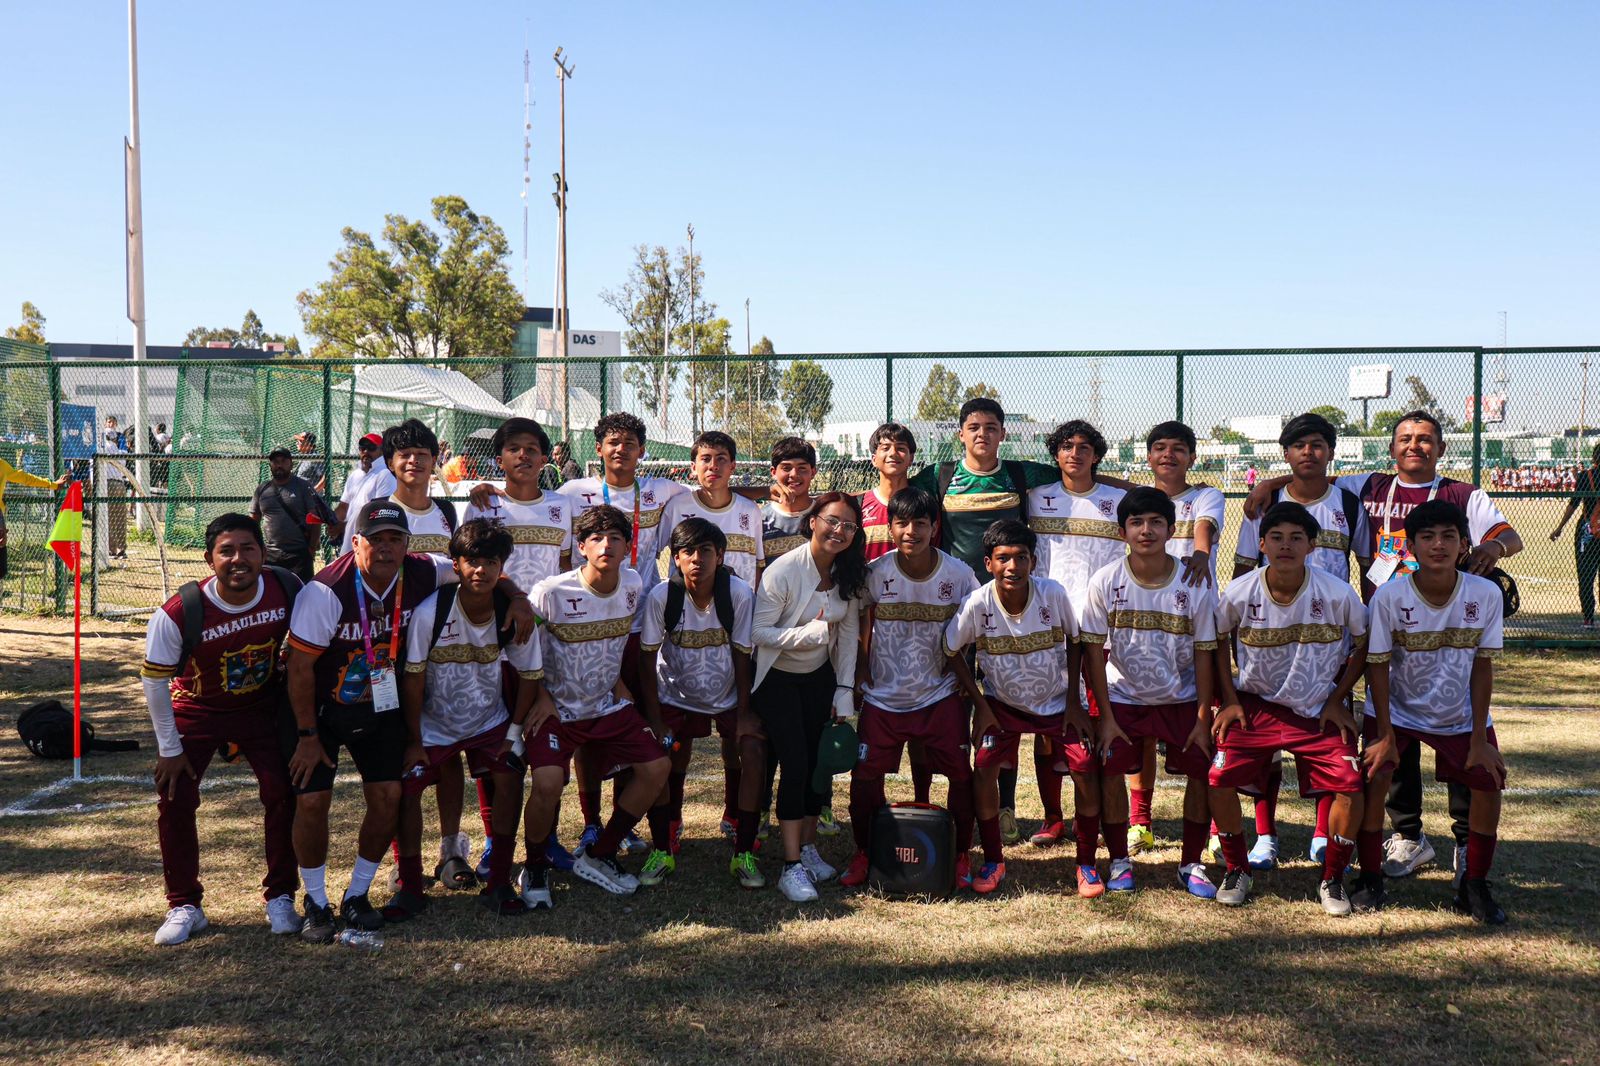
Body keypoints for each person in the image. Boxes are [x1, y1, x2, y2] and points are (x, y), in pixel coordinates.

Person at [1244, 409, 1521, 883]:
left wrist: (1489, 551)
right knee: (1391, 744)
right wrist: (1267, 483)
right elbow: (1312, 472)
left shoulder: (1462, 494)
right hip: (1383, 623)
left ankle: (1461, 843)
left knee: (1454, 734)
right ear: (1391, 448)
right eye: (1406, 439)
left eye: (1426, 439)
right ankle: (1409, 836)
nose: (1415, 446)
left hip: (1442, 626)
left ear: (1441, 447)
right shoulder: (1367, 486)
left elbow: (1508, 535)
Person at [282, 501, 533, 942]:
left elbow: (484, 565)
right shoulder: (324, 592)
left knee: (388, 796)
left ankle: (358, 896)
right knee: (312, 803)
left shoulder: (425, 570)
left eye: (394, 539)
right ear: (355, 541)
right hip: (323, 711)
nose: (384, 548)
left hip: (381, 707)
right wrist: (305, 735)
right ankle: (317, 901)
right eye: (374, 540)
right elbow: (300, 670)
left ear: (407, 544)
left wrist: (517, 598)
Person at [140, 514, 302, 945]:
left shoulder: (287, 587)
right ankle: (184, 904)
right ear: (209, 559)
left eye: (248, 549)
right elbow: (154, 680)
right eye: (226, 551)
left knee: (283, 793)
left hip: (261, 707)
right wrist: (169, 748)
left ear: (263, 554)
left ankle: (282, 896)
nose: (238, 559)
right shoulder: (180, 611)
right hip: (197, 708)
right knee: (174, 798)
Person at [907, 398, 1061, 845]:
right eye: (974, 426)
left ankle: (1007, 807)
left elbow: (1078, 476)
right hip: (959, 606)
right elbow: (891, 485)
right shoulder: (939, 476)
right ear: (960, 433)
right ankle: (941, 801)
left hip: (1012, 605)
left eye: (991, 427)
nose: (982, 434)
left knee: (1008, 704)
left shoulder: (1019, 474)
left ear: (1002, 434)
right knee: (959, 700)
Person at [1209, 502, 1368, 915]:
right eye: (1276, 537)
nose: (1286, 545)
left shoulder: (1336, 592)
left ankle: (1333, 878)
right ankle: (1237, 868)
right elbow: (1216, 639)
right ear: (1261, 544)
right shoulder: (1241, 590)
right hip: (1255, 706)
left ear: (1312, 546)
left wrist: (1337, 697)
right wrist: (1228, 699)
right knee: (1218, 778)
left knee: (1351, 785)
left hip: (1317, 707)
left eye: (1297, 538)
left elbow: (1366, 641)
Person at [1355, 500, 1508, 924]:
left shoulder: (1485, 593)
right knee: (1373, 778)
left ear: (1464, 544)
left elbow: (1482, 666)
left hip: (1457, 714)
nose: (1437, 545)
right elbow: (1378, 665)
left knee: (1489, 780)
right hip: (1397, 711)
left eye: (1448, 536)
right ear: (1412, 546)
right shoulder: (1389, 596)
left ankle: (1474, 884)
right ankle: (1370, 876)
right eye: (1427, 537)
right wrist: (1385, 735)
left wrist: (1479, 736)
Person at [1229, 411, 1370, 868]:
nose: (1309, 453)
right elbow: (1241, 574)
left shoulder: (1348, 504)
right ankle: (1265, 836)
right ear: (1285, 453)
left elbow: (1369, 572)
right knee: (1263, 746)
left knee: (1327, 739)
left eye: (1318, 445)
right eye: (1299, 446)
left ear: (1331, 451)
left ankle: (1321, 833)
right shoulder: (1261, 506)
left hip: (1325, 644)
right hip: (1268, 638)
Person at [519, 505, 671, 904]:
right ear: (581, 547)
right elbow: (520, 645)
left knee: (658, 768)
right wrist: (540, 694)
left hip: (605, 704)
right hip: (557, 708)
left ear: (628, 547)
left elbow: (615, 641)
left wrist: (619, 682)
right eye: (597, 539)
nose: (606, 545)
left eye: (615, 538)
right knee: (549, 784)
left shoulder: (634, 584)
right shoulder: (552, 591)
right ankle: (534, 865)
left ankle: (600, 852)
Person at [554, 413, 687, 856]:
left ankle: (622, 822)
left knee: (633, 722)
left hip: (638, 626)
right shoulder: (574, 493)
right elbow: (535, 506)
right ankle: (591, 823)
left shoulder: (661, 491)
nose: (621, 450)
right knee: (588, 723)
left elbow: (711, 495)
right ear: (598, 449)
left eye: (630, 442)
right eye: (613, 442)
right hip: (590, 626)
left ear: (642, 450)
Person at [396, 519, 542, 918]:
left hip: (488, 721)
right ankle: (409, 885)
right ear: (456, 565)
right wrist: (412, 740)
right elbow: (413, 679)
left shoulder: (510, 611)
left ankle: (498, 882)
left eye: (490, 562)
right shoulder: (433, 610)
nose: (480, 570)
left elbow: (530, 676)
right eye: (471, 561)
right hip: (433, 724)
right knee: (405, 788)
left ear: (502, 566)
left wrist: (513, 733)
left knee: (510, 776)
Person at [1080, 487, 1220, 899]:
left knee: (1200, 774)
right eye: (1136, 523)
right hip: (1123, 699)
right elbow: (1092, 650)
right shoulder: (1106, 580)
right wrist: (1104, 716)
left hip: (1180, 699)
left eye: (1156, 522)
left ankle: (1191, 862)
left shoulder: (1194, 582)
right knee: (1112, 776)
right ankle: (1121, 859)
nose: (1146, 531)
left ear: (1171, 529)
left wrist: (1201, 717)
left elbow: (1204, 653)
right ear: (1123, 532)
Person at [842, 488, 981, 887]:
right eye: (902, 523)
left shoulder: (958, 574)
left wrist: (962, 671)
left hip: (939, 694)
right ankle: (865, 852)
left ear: (935, 528)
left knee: (960, 775)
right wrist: (861, 670)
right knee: (865, 776)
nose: (911, 531)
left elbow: (974, 624)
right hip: (884, 696)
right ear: (890, 527)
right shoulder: (877, 571)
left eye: (921, 523)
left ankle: (958, 856)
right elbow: (859, 620)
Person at [943, 519, 1081, 895]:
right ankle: (993, 859)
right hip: (1001, 705)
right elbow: (952, 650)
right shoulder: (977, 602)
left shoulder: (1053, 594)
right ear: (988, 563)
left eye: (1021, 558)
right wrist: (980, 704)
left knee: (1085, 767)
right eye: (1003, 558)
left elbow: (1077, 640)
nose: (1013, 567)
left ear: (1033, 562)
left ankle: (1086, 863)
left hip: (1055, 702)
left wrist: (1073, 702)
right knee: (984, 770)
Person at [748, 491, 866, 901]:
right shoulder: (783, 571)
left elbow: (848, 636)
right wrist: (809, 634)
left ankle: (810, 849)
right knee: (795, 764)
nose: (839, 531)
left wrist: (845, 689)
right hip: (778, 680)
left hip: (820, 678)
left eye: (849, 526)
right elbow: (758, 634)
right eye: (832, 521)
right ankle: (791, 865)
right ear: (812, 521)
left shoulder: (848, 571)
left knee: (818, 767)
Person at [1123, 421, 1225, 857]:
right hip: (1147, 625)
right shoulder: (1138, 502)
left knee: (1204, 726)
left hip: (1195, 623)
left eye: (1178, 449)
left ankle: (1218, 825)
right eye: (1159, 448)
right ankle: (1140, 821)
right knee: (1141, 731)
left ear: (1192, 457)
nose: (1168, 455)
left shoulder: (1207, 495)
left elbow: (1204, 528)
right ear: (1148, 457)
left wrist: (1199, 555)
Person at [636, 518, 757, 886]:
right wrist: (656, 722)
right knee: (667, 756)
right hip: (678, 695)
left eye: (706, 551)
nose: (696, 559)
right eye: (687, 551)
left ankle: (744, 848)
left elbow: (742, 655)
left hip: (727, 695)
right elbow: (646, 659)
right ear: (675, 558)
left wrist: (745, 714)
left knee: (750, 752)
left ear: (720, 556)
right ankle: (665, 838)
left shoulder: (738, 593)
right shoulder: (662, 597)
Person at [1024, 419, 1127, 849]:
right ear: (1055, 453)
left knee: (1101, 721)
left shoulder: (1118, 500)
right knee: (1050, 727)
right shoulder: (1035, 499)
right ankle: (1052, 817)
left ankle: (1102, 815)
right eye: (1067, 446)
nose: (1075, 453)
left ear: (1097, 456)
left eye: (1085, 447)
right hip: (1049, 626)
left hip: (1102, 628)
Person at [661, 431, 765, 585]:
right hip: (686, 605)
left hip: (739, 606)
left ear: (733, 466)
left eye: (721, 459)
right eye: (706, 459)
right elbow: (650, 553)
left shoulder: (750, 510)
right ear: (694, 467)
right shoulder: (676, 507)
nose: (713, 466)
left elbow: (758, 564)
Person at [250, 448, 337, 582]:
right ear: (270, 465)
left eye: (283, 461)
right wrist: (258, 548)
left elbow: (315, 519)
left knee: (302, 595)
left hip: (300, 554)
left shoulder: (303, 486)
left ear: (291, 464)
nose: (279, 465)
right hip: (271, 555)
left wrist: (311, 549)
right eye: (275, 462)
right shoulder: (262, 489)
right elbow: (253, 522)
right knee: (272, 593)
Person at [1549, 442, 1600, 628]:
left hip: (1587, 531)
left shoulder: (1587, 476)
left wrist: (1560, 527)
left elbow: (1574, 502)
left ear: (1594, 458)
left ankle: (1588, 618)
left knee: (1585, 575)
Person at [858, 422, 917, 563]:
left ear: (911, 458)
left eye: (900, 448)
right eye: (885, 448)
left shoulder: (924, 504)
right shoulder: (859, 505)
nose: (893, 453)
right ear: (874, 459)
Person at [0, 455, 66, 580]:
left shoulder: (2, 465)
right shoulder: (2, 465)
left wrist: (52, 485)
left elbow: (25, 478)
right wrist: (52, 485)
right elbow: (26, 479)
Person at [337, 433, 395, 554]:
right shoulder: (355, 475)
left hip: (369, 543)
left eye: (371, 448)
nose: (366, 451)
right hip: (350, 538)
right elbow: (343, 507)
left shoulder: (385, 474)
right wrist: (335, 523)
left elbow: (379, 513)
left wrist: (345, 526)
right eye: (362, 448)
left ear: (381, 450)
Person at [99, 415, 129, 560]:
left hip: (107, 484)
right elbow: (123, 462)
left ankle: (111, 549)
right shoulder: (120, 451)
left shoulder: (103, 447)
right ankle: (122, 549)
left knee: (109, 518)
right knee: (120, 518)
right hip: (120, 484)